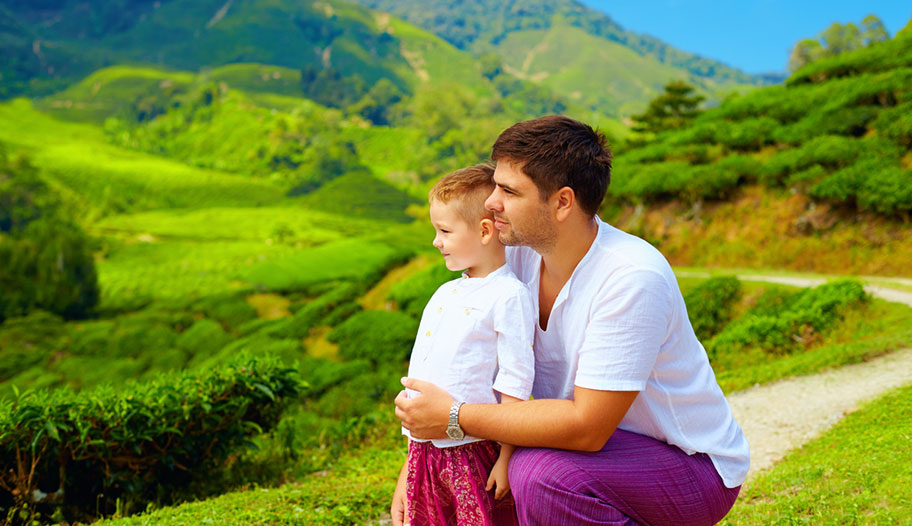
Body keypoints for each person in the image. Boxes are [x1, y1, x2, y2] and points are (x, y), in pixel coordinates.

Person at [395, 116, 750, 526]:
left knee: (539, 476)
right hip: (589, 450)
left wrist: (453, 416)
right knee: (489, 477)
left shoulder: (631, 277)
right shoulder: (515, 255)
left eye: (509, 191)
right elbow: (461, 365)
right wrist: (417, 462)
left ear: (562, 202)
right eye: (496, 185)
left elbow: (586, 427)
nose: (492, 202)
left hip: (687, 466)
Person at [391, 164, 536, 526]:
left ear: (485, 230)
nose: (436, 241)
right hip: (426, 451)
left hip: (474, 452)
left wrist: (506, 458)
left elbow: (516, 382)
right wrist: (407, 467)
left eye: (444, 231)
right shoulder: (445, 292)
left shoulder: (508, 295)